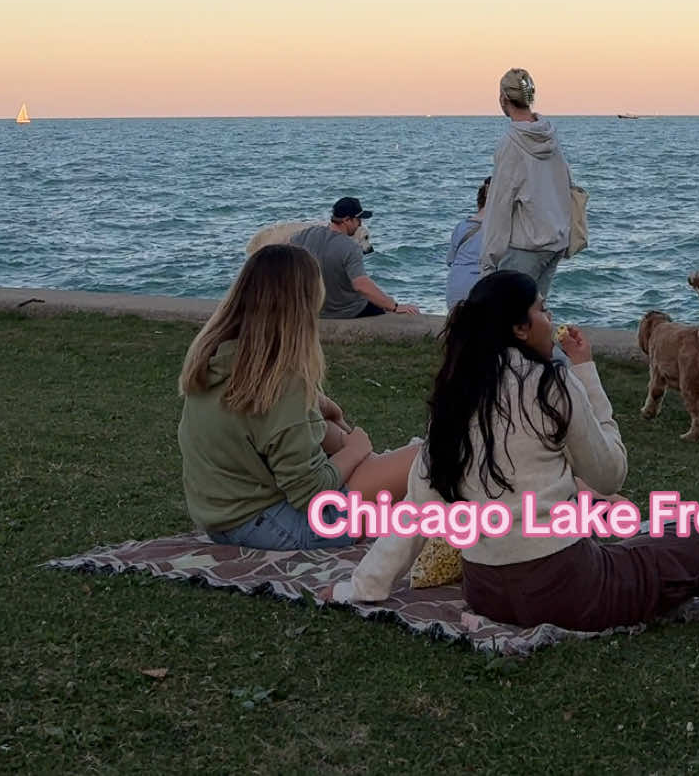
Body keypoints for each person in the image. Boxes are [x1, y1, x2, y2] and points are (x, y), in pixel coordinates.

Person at [350, 271, 699, 628]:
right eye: (542, 310)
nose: (549, 318)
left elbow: (418, 510)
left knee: (632, 537)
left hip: (486, 591)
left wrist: (366, 585)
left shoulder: (455, 393)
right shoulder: (549, 383)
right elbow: (609, 473)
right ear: (519, 328)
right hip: (565, 589)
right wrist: (585, 374)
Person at [177, 243, 421, 548]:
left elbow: (269, 431)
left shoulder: (218, 359)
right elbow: (312, 493)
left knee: (338, 437)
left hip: (225, 520)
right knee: (426, 457)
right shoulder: (281, 383)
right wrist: (357, 449)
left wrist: (321, 412)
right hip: (277, 525)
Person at [478, 68, 572, 303]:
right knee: (535, 317)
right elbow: (566, 186)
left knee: (507, 317)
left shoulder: (511, 144)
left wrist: (488, 261)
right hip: (555, 240)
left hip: (526, 246)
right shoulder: (550, 136)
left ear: (503, 99)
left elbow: (500, 206)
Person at [291, 195, 420, 319]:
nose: (360, 224)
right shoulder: (350, 247)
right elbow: (361, 285)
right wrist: (394, 306)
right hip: (346, 311)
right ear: (347, 220)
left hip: (313, 308)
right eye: (358, 220)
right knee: (381, 306)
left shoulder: (302, 236)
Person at [445, 177, 489, 310]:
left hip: (455, 289)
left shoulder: (461, 226)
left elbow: (450, 260)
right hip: (481, 290)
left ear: (478, 203)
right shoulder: (500, 230)